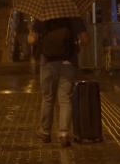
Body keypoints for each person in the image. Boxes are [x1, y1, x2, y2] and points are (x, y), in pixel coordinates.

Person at [28, 17, 89, 147]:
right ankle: (64, 133)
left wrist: (34, 36)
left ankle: (45, 132)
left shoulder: (42, 16)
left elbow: (31, 40)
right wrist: (78, 47)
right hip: (68, 61)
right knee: (65, 98)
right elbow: (85, 39)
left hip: (48, 61)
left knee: (48, 98)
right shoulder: (73, 16)